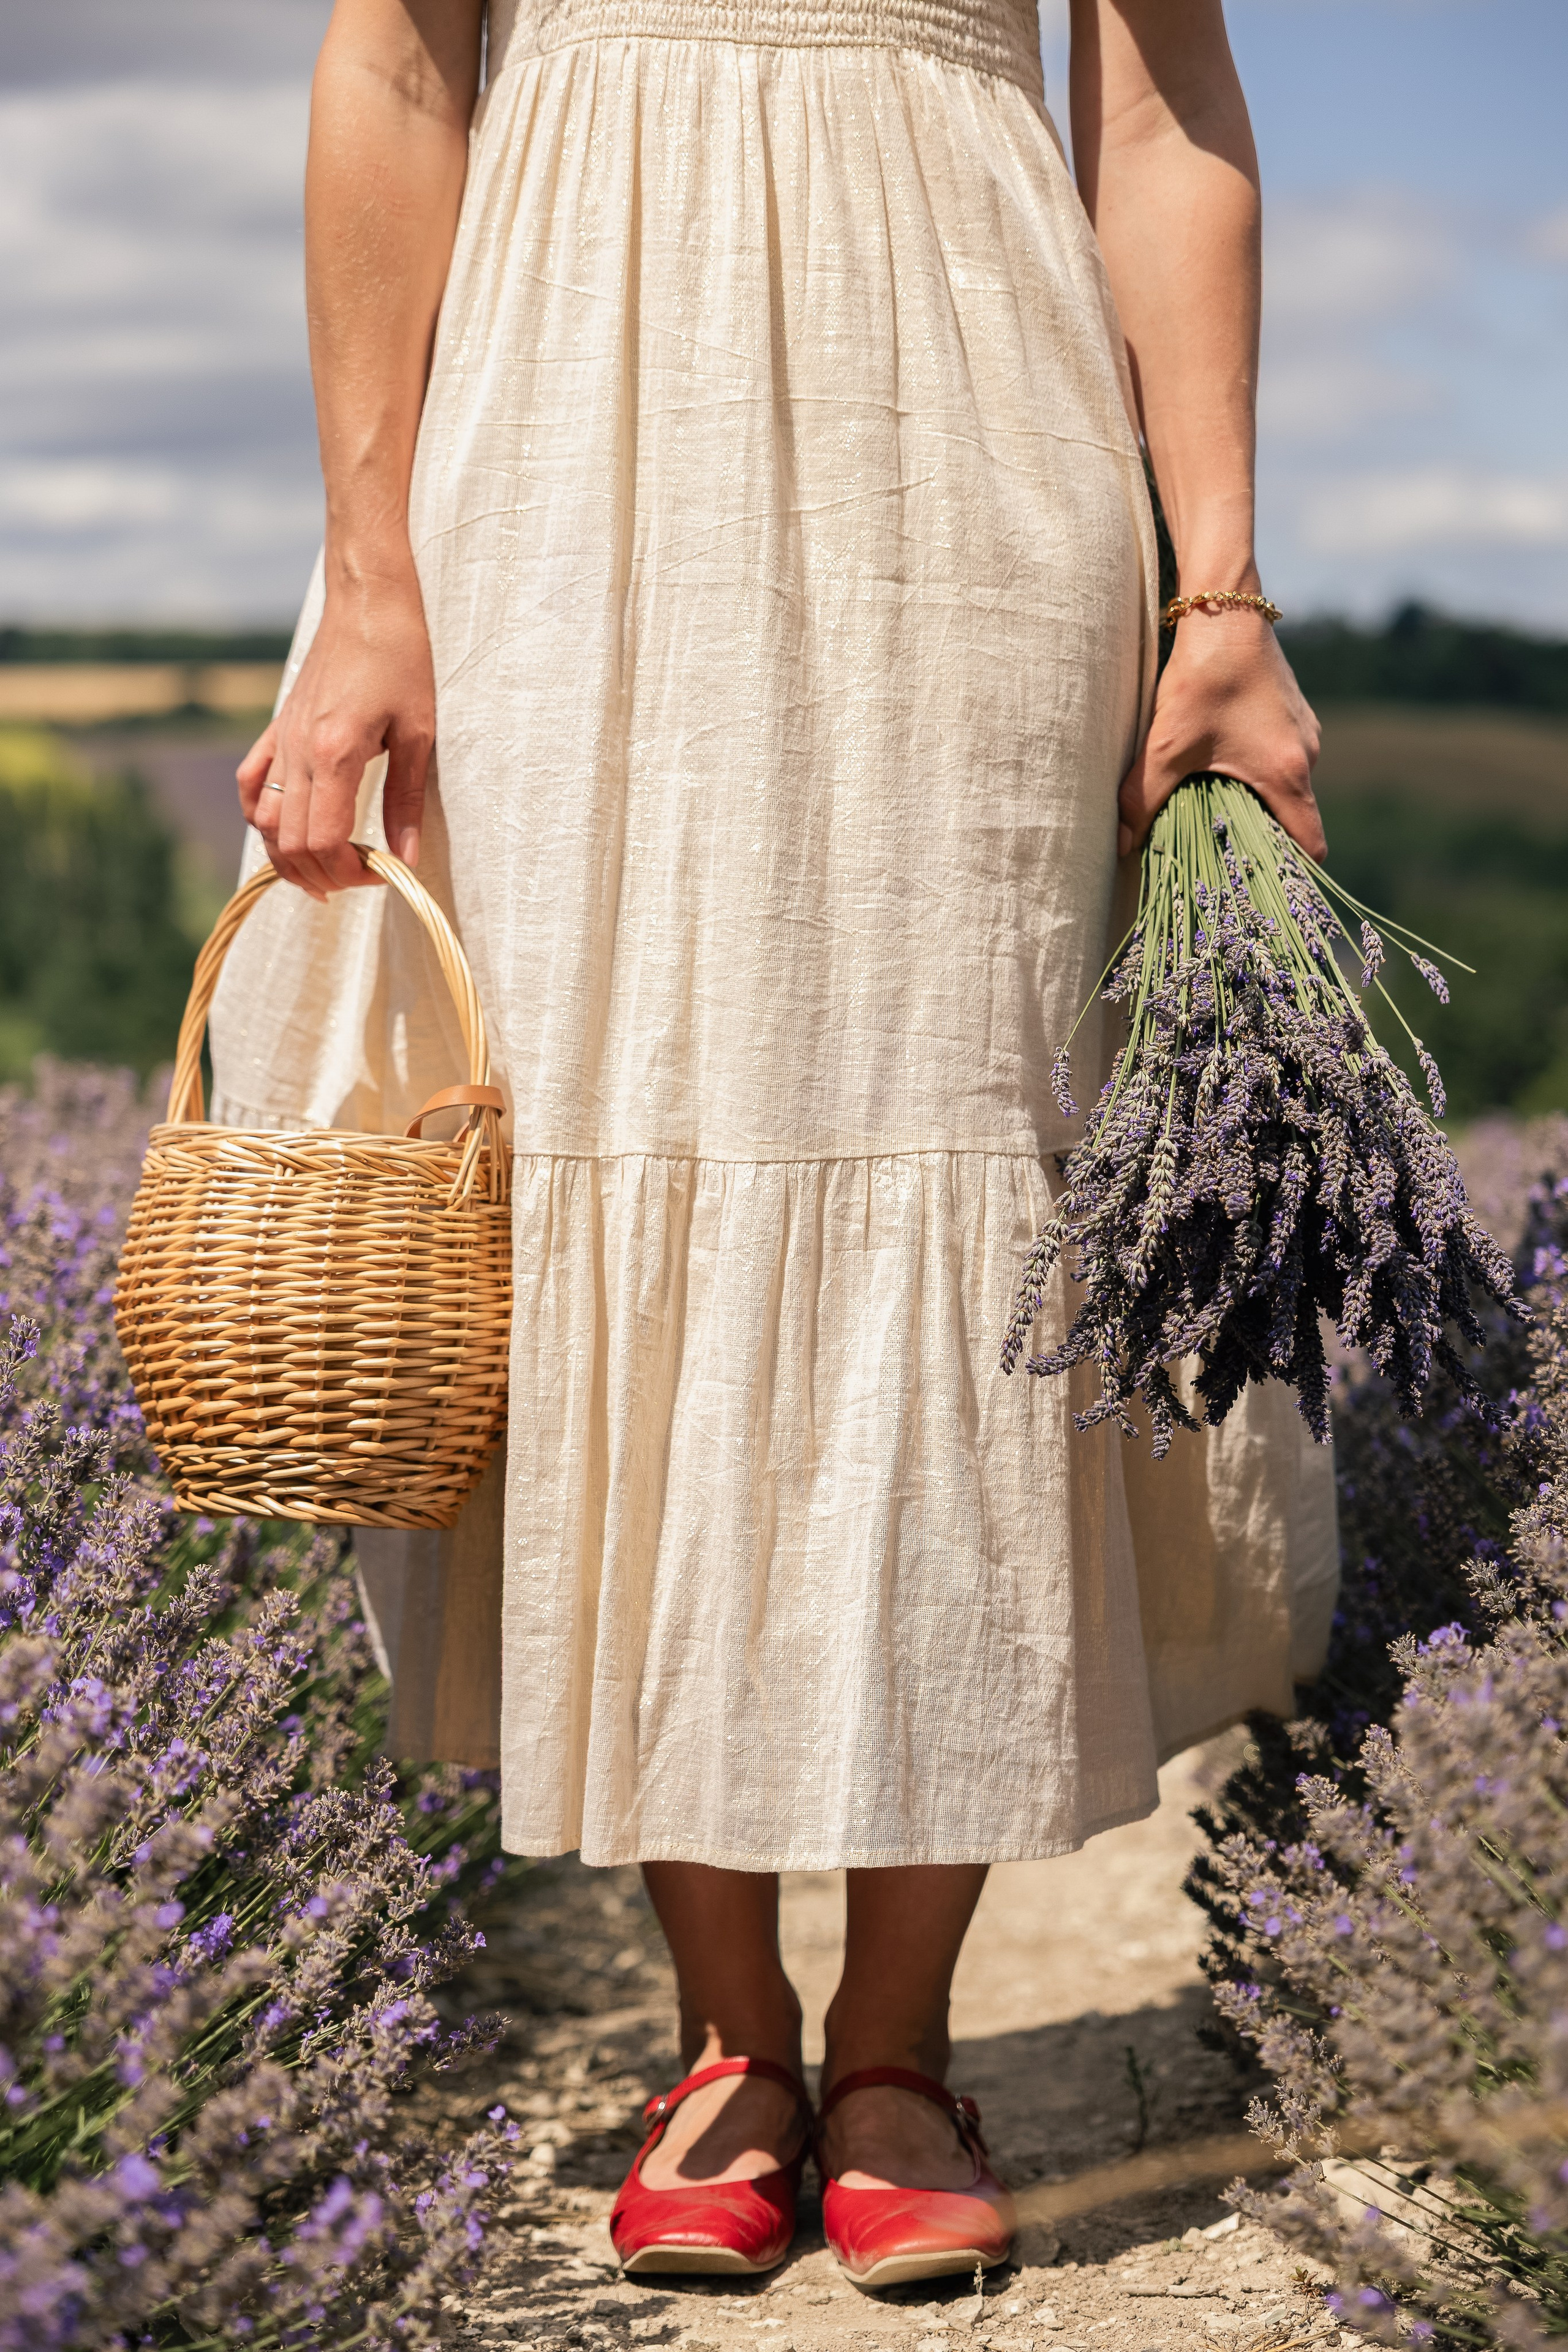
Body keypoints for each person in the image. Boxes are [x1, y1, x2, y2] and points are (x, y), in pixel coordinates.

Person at [215, 0, 1336, 2288]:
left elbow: (1159, 101)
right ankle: (731, 2033)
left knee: (960, 1117)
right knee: (626, 1108)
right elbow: (402, 67)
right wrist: (370, 570)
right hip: (563, 442)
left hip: (978, 421)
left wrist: (1217, 587)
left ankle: (906, 2039)